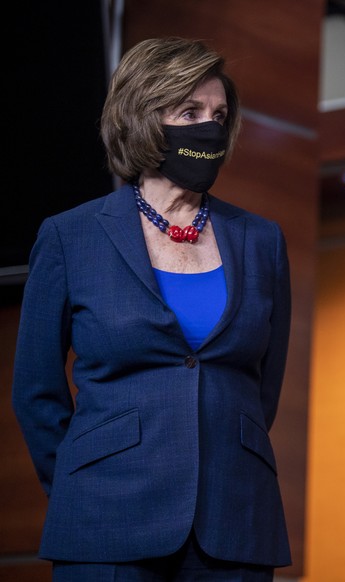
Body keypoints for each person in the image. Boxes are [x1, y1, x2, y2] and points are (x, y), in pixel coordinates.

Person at [12, 37, 292, 581]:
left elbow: (263, 390)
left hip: (234, 522)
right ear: (143, 118)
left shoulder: (262, 240)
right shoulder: (71, 237)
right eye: (190, 112)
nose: (209, 127)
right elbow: (36, 392)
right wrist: (84, 480)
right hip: (105, 523)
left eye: (219, 114)